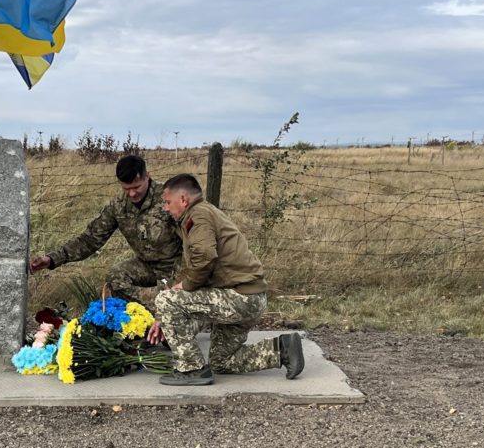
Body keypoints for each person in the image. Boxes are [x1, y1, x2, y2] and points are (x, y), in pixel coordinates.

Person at [147, 173, 305, 386]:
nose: (165, 208)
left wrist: (173, 296)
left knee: (165, 300)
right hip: (246, 297)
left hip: (240, 297)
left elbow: (204, 258)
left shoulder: (199, 216)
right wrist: (166, 313)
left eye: (167, 202)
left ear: (183, 200)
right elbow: (192, 268)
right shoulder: (198, 216)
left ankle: (190, 369)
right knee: (222, 362)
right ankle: (282, 349)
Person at [29, 155, 181, 306]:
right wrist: (52, 259)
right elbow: (90, 240)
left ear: (147, 176)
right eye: (126, 188)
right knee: (115, 278)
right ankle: (147, 311)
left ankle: (161, 305)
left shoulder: (169, 198)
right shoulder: (118, 206)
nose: (132, 194)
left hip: (178, 266)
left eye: (136, 187)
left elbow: (195, 240)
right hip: (147, 266)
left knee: (176, 295)